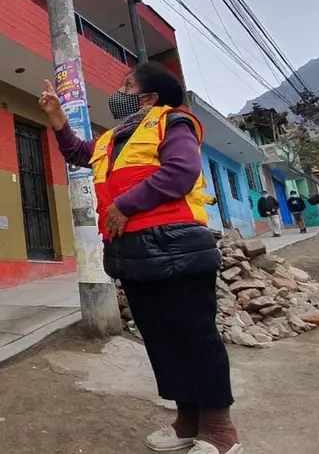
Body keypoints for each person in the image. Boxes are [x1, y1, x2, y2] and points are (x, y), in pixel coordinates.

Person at [39, 62, 242, 454]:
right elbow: (78, 153)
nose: (120, 90)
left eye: (128, 85)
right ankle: (186, 423)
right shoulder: (112, 138)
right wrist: (57, 117)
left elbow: (181, 171)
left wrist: (123, 206)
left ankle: (220, 432)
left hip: (177, 245)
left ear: (149, 98)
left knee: (194, 337)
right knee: (161, 339)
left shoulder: (174, 123)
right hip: (131, 252)